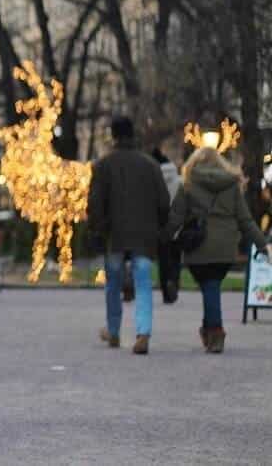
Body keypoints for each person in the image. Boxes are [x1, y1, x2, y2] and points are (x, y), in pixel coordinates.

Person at [163, 147, 268, 353]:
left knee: (209, 286)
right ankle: (208, 329)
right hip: (225, 247)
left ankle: (216, 331)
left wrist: (162, 238)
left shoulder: (189, 184)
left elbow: (175, 217)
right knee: (210, 287)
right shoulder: (232, 185)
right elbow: (245, 220)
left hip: (198, 246)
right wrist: (262, 244)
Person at [87, 116, 170, 355]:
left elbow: (95, 203)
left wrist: (97, 229)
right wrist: (159, 227)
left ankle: (113, 331)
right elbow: (164, 202)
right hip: (144, 235)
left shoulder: (103, 165)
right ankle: (143, 333)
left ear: (113, 136)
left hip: (114, 235)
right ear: (133, 135)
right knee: (143, 283)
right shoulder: (150, 165)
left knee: (112, 283)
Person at [152, 149, 183, 304]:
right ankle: (175, 284)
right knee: (176, 259)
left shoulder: (154, 180)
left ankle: (166, 289)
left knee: (163, 260)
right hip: (177, 226)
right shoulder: (179, 181)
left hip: (161, 226)